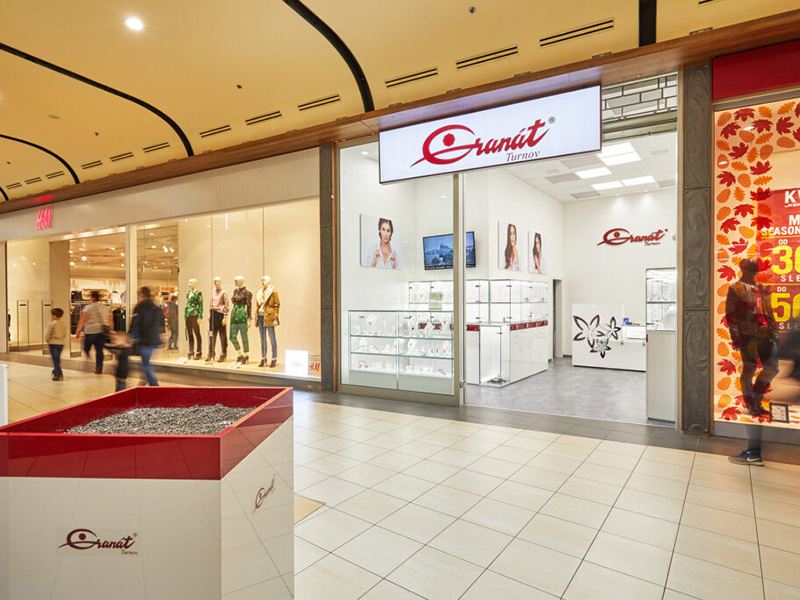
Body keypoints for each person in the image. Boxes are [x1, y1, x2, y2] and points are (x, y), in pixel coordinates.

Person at [725, 257, 776, 466]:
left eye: (755, 269)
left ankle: (755, 400)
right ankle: (752, 404)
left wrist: (775, 331)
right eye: (751, 269)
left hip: (766, 334)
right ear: (743, 269)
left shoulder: (762, 288)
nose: (754, 272)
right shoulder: (736, 288)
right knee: (749, 369)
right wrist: (736, 336)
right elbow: (731, 315)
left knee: (772, 368)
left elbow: (769, 311)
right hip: (748, 335)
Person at [129, 286, 164, 386]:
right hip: (154, 338)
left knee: (146, 363)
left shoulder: (139, 307)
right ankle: (143, 381)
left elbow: (135, 324)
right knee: (146, 361)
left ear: (142, 294)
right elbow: (160, 324)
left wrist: (130, 336)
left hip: (144, 339)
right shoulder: (156, 308)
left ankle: (154, 385)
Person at [74, 290, 112, 374]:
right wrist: (111, 331)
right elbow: (110, 321)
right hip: (102, 331)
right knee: (99, 350)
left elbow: (82, 320)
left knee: (86, 347)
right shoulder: (105, 308)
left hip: (91, 331)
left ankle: (88, 357)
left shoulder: (87, 307)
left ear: (92, 298)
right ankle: (99, 368)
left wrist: (78, 331)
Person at [45, 307, 67, 381]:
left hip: (53, 343)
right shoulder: (63, 324)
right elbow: (64, 334)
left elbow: (48, 334)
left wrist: (47, 340)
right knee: (57, 358)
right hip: (61, 343)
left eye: (51, 315)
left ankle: (58, 374)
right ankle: (55, 371)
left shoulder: (51, 323)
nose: (51, 316)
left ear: (54, 315)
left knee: (55, 359)